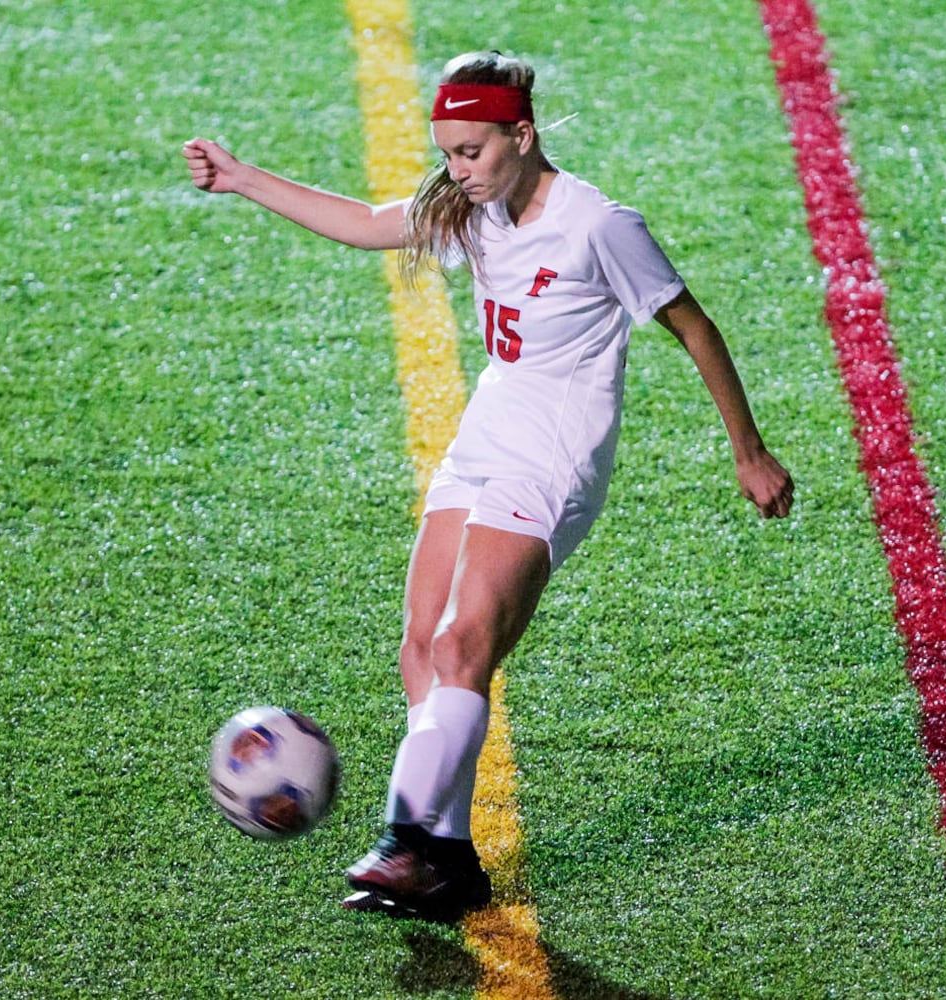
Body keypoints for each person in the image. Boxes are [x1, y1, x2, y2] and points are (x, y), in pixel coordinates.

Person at [183, 49, 794, 921]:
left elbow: (693, 327)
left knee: (464, 643)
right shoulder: (466, 206)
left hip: (553, 453)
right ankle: (454, 862)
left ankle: (403, 841)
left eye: (471, 151)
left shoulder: (595, 225)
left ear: (521, 134)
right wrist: (242, 179)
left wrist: (748, 450)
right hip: (485, 434)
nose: (456, 169)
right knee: (422, 651)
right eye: (446, 152)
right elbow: (363, 221)